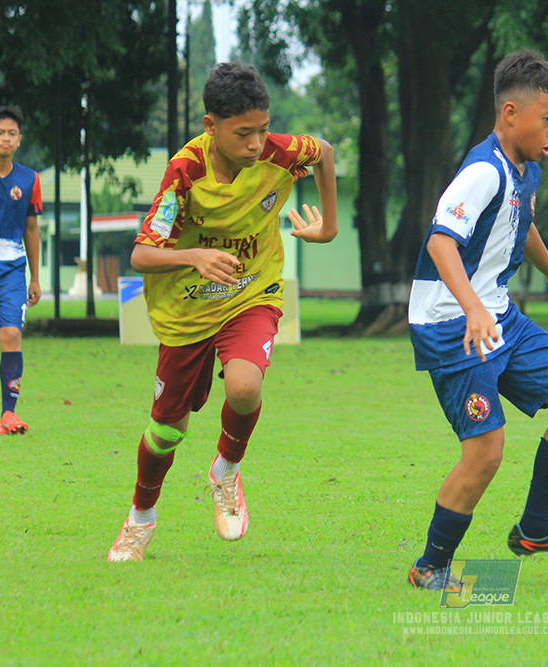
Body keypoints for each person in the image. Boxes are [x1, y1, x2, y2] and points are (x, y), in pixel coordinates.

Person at [107, 63, 338, 561]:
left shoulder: (278, 151)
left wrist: (329, 228)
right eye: (243, 134)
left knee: (245, 385)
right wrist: (194, 255)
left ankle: (226, 471)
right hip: (187, 311)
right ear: (211, 126)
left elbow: (325, 153)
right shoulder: (185, 172)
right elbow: (142, 255)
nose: (257, 144)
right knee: (166, 430)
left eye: (262, 129)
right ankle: (140, 521)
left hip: (251, 292)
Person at [405, 50, 548, 590]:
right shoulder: (482, 171)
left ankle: (535, 529)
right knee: (486, 452)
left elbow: (522, 225)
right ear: (511, 113)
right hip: (452, 324)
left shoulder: (526, 169)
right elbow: (441, 242)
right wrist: (471, 307)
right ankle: (431, 565)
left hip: (498, 316)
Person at [0, 106, 42, 435]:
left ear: (19, 140)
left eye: (12, 133)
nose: (6, 138)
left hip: (10, 272)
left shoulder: (30, 179)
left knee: (11, 334)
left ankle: (8, 414)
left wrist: (34, 276)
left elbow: (32, 230)